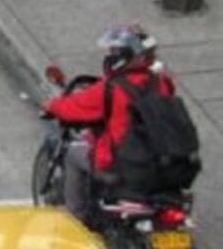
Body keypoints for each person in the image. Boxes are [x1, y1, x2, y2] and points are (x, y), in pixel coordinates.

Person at [43, 25, 178, 226]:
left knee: (73, 153)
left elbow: (73, 107)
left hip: (120, 165)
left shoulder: (111, 89)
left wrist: (50, 106)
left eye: (113, 52)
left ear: (123, 56)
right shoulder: (161, 83)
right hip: (158, 163)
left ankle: (76, 221)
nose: (109, 56)